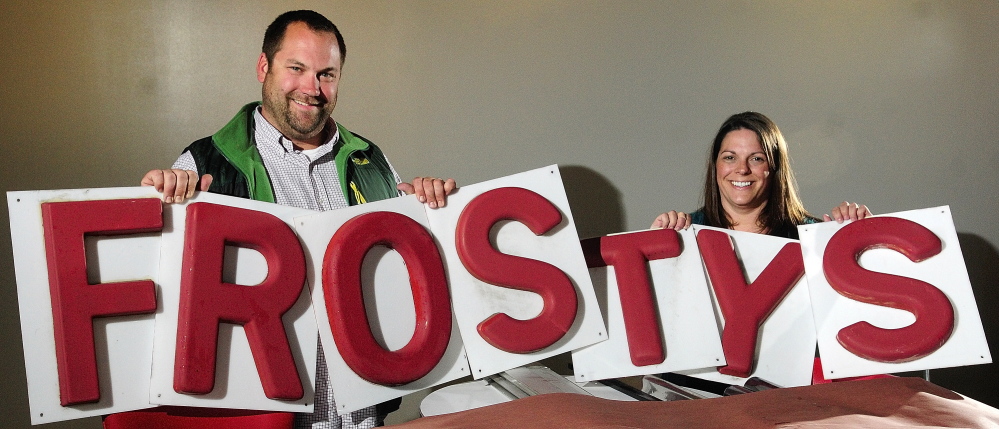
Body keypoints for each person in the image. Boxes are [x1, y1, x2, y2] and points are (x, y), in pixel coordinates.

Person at [140, 10, 455, 429]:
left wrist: (430, 210)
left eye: (327, 74)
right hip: (267, 415)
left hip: (363, 417)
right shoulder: (206, 163)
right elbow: (166, 298)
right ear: (263, 67)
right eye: (297, 68)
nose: (312, 88)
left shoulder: (371, 162)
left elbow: (405, 277)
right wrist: (160, 198)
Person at [651, 111, 871, 238]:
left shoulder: (812, 236)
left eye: (756, 158)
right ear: (715, 165)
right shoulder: (685, 233)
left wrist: (868, 241)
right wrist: (653, 248)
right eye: (729, 157)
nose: (742, 169)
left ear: (774, 167)